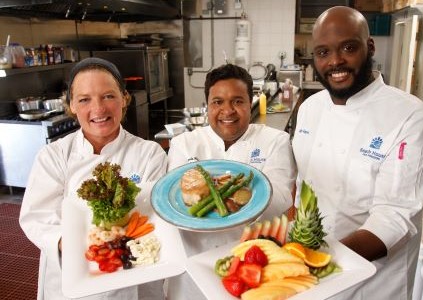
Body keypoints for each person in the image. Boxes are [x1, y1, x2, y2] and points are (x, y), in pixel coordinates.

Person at [291, 6, 423, 299]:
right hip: (309, 270)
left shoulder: (409, 116)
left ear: (369, 47)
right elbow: (302, 187)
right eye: (322, 52)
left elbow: (393, 216)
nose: (335, 61)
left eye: (348, 47)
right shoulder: (309, 109)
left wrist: (318, 261)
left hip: (374, 281)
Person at [19, 57, 168, 300]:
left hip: (134, 277)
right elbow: (37, 218)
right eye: (84, 99)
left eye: (108, 96)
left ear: (124, 99)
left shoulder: (149, 153)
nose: (98, 109)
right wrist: (71, 243)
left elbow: (156, 216)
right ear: (72, 106)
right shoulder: (54, 155)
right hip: (73, 274)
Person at [166, 63, 296, 299]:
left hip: (253, 262)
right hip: (194, 265)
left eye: (237, 101)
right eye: (218, 102)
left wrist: (220, 193)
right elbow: (175, 205)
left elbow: (281, 199)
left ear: (250, 103)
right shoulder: (184, 144)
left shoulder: (275, 140)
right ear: (207, 106)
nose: (228, 110)